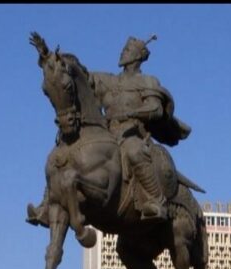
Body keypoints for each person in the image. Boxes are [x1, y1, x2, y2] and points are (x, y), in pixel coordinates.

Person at [27, 35, 191, 225]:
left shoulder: (148, 81)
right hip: (106, 132)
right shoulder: (109, 80)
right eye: (124, 49)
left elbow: (155, 108)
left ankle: (155, 200)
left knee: (134, 151)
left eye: (128, 50)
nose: (123, 52)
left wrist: (131, 113)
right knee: (61, 153)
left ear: (139, 56)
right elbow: (79, 74)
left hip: (132, 133)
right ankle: (48, 205)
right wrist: (48, 56)